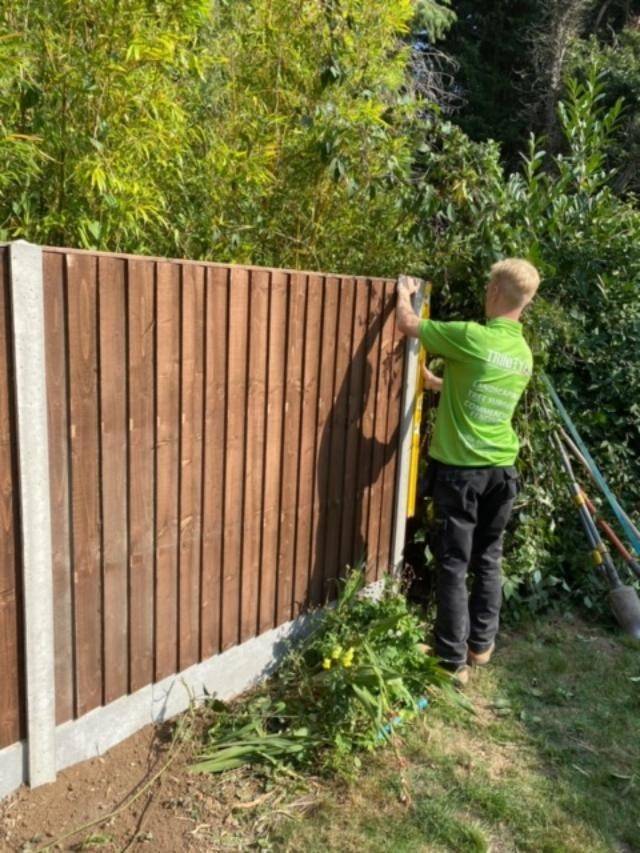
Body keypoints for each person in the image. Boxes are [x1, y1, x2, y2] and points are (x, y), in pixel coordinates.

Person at [396, 260, 540, 686]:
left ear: (495, 291)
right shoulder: (521, 354)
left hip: (463, 473)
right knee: (489, 558)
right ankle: (481, 646)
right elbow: (479, 383)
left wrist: (405, 293)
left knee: (454, 564)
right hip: (502, 472)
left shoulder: (472, 337)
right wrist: (435, 383)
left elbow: (407, 324)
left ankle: (449, 659)